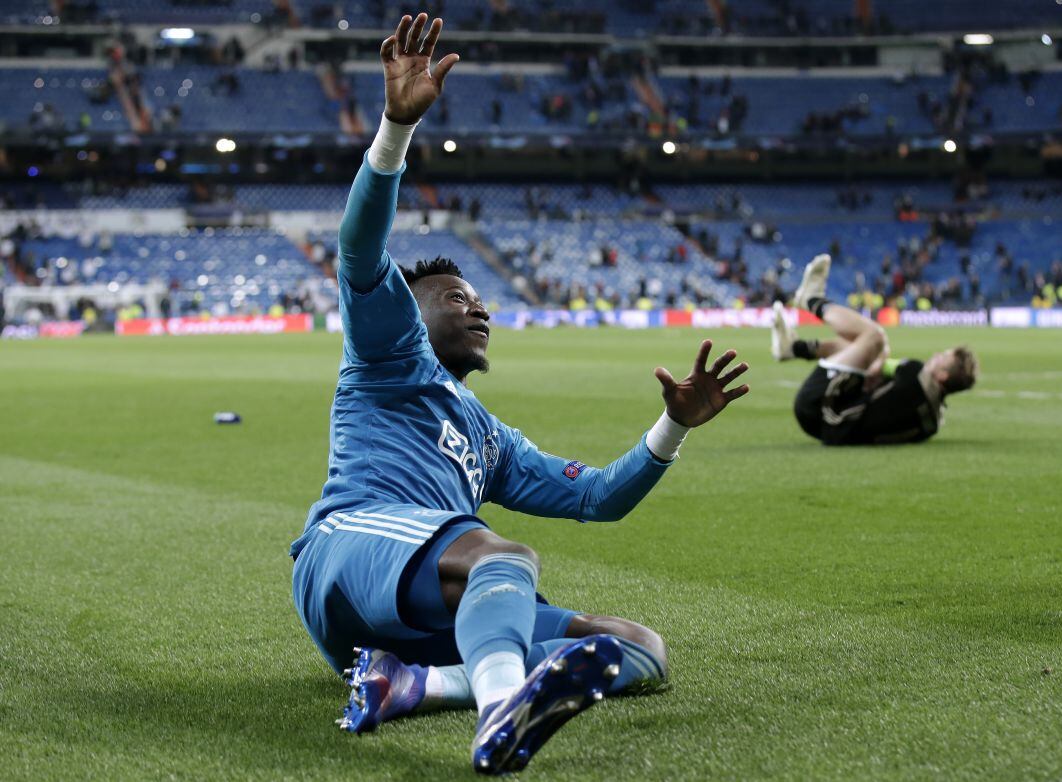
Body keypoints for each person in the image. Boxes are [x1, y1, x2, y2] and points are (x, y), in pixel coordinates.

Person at [290, 13, 751, 775]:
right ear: (413, 310)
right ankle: (503, 708)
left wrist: (673, 427)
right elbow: (359, 249)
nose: (479, 309)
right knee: (501, 555)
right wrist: (395, 132)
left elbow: (600, 496)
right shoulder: (386, 352)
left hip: (412, 616)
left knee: (640, 649)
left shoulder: (488, 436)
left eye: (480, 300)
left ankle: (419, 685)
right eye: (457, 297)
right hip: (347, 553)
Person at [770, 254, 976, 446]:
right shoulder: (933, 423)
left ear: (941, 375)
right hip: (831, 430)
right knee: (864, 350)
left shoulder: (915, 374)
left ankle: (812, 301)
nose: (936, 355)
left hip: (820, 409)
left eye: (943, 358)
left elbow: (878, 363)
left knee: (875, 339)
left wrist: (875, 369)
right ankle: (793, 348)